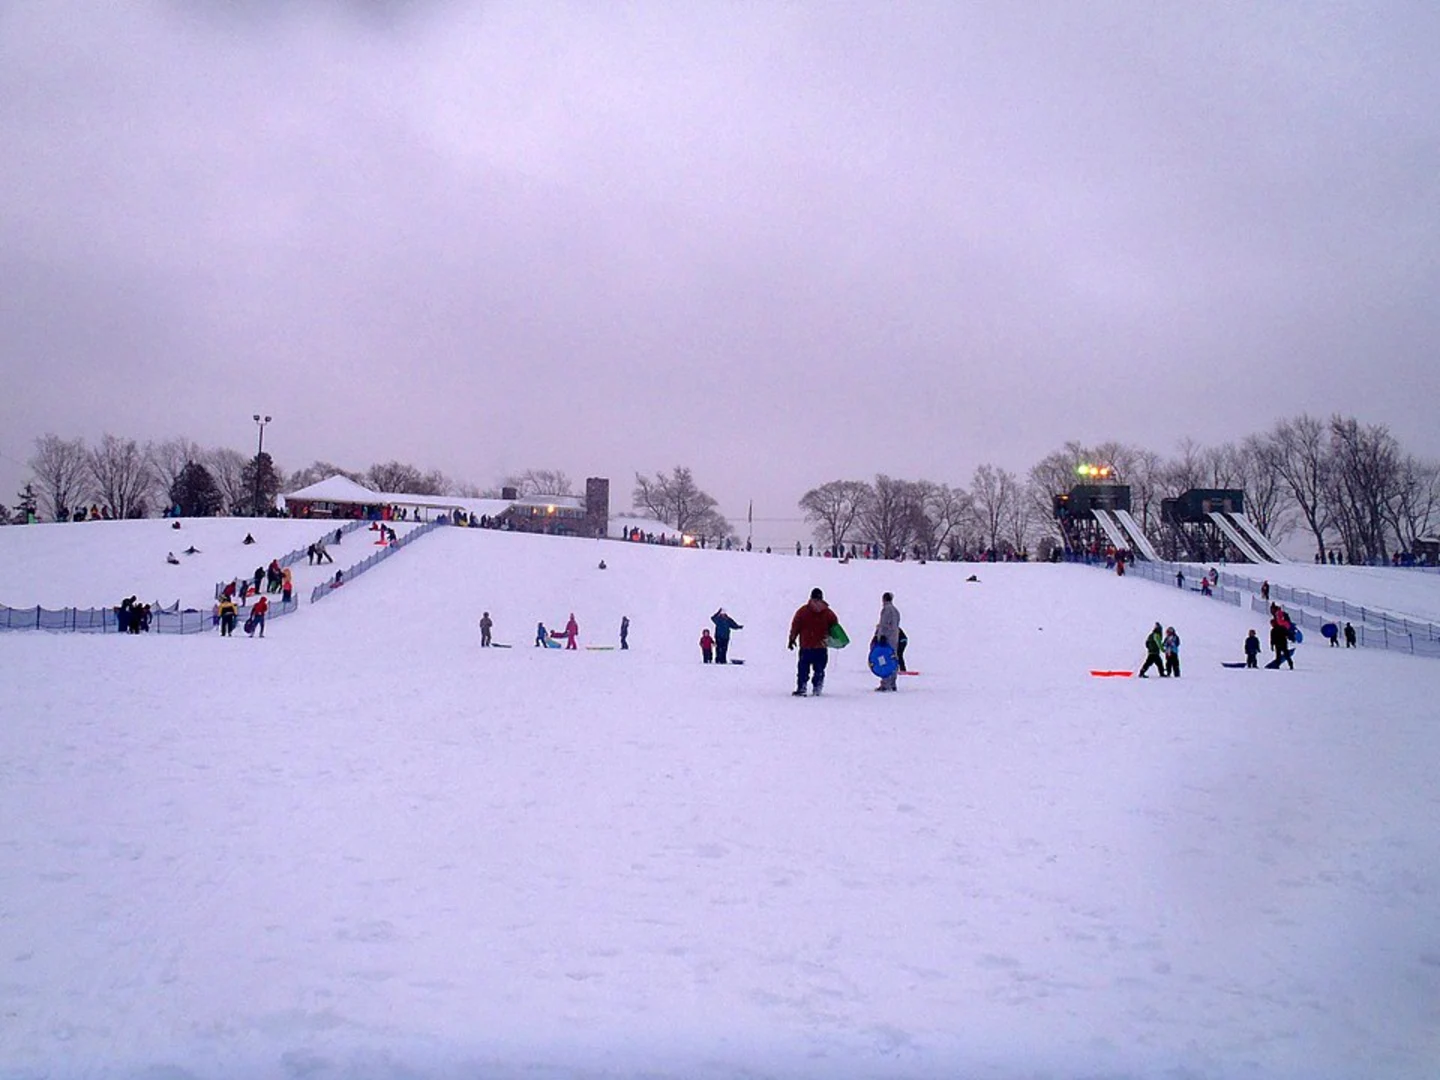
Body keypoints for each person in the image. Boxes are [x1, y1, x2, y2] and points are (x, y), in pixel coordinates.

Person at [787, 587, 839, 697]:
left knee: (803, 668)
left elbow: (795, 626)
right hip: (821, 646)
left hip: (806, 645)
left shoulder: (803, 611)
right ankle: (817, 688)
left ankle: (802, 688)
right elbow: (835, 626)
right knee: (819, 669)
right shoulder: (828, 613)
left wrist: (792, 639)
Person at [872, 591, 902, 691]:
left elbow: (883, 623)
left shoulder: (886, 609)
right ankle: (893, 682)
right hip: (894, 638)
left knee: (884, 659)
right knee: (893, 659)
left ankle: (885, 683)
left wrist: (880, 636)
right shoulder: (896, 611)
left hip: (887, 638)